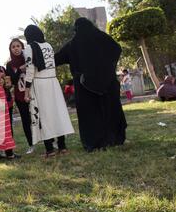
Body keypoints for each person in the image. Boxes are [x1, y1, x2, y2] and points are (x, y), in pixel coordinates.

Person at [55, 17, 127, 152]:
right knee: (110, 110)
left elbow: (56, 59)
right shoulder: (103, 38)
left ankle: (94, 143)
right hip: (107, 83)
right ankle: (116, 138)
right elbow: (117, 49)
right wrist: (108, 68)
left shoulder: (73, 44)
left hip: (84, 86)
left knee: (90, 115)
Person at [22, 25, 75, 158]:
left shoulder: (29, 48)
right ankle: (62, 146)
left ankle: (50, 150)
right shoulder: (48, 45)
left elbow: (30, 70)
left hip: (40, 83)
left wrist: (26, 91)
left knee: (44, 116)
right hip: (53, 82)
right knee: (56, 113)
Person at [6, 38, 35, 154]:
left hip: (33, 91)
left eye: (18, 46)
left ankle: (49, 139)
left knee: (39, 116)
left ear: (22, 47)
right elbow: (12, 81)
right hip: (19, 95)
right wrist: (19, 70)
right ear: (10, 50)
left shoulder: (28, 58)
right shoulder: (9, 64)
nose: (16, 48)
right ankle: (31, 144)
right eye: (13, 47)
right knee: (25, 120)